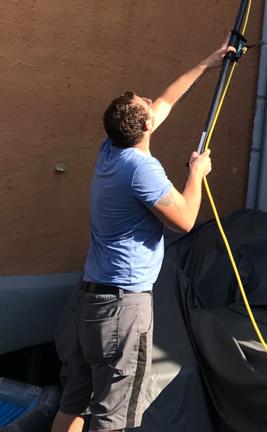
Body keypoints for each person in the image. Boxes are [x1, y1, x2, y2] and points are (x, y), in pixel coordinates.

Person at [51, 41, 234, 432]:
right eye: (146, 104)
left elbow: (166, 100)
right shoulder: (140, 169)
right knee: (112, 418)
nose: (153, 102)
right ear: (145, 126)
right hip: (122, 308)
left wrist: (209, 61)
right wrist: (196, 174)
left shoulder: (111, 150)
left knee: (75, 403)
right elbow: (184, 221)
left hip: (89, 301)